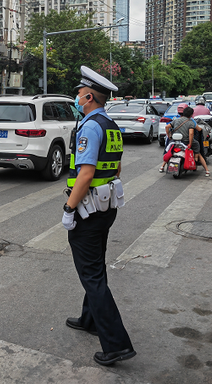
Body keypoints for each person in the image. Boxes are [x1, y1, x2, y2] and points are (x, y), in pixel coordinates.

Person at [61, 66, 135, 367]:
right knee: (95, 268)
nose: (77, 98)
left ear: (89, 96)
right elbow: (115, 168)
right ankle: (89, 319)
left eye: (79, 94)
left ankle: (116, 344)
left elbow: (86, 172)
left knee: (91, 275)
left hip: (87, 210)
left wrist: (69, 209)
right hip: (105, 208)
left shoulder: (90, 126)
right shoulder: (111, 124)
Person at [160, 106, 210, 176]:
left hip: (175, 141)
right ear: (191, 115)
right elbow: (191, 133)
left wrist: (169, 136)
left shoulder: (176, 120)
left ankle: (162, 167)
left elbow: (167, 127)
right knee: (197, 147)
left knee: (169, 152)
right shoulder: (191, 122)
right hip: (185, 141)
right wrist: (190, 143)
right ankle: (204, 168)